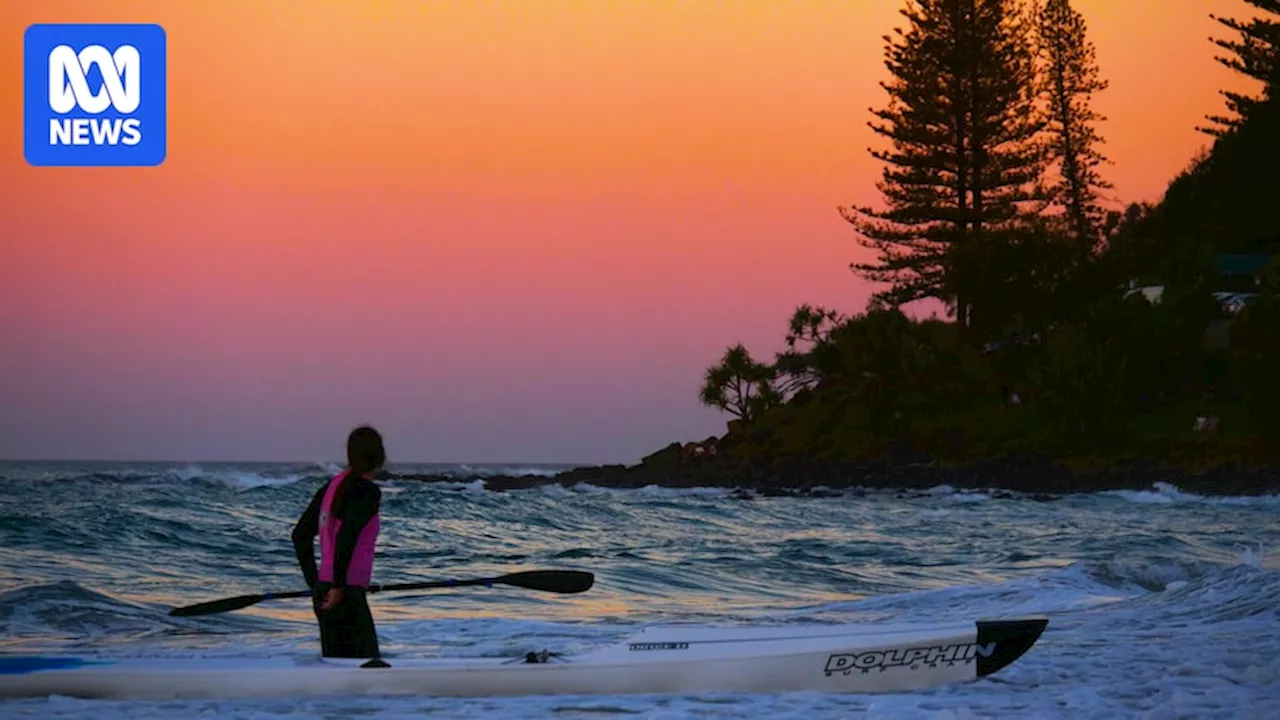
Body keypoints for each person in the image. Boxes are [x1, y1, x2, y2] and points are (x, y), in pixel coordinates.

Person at [292, 425, 386, 658]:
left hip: (326, 592)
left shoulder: (331, 488)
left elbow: (300, 536)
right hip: (345, 594)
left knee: (338, 672)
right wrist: (338, 586)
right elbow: (348, 536)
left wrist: (316, 584)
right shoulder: (367, 492)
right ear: (379, 456)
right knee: (367, 669)